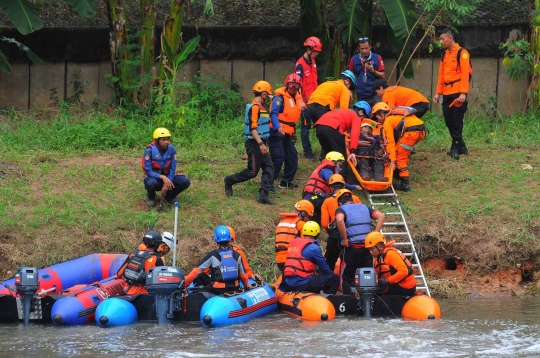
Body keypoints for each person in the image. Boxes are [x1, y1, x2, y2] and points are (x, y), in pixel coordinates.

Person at [224, 81, 275, 205]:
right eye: (267, 96)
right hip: (255, 144)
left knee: (269, 167)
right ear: (263, 94)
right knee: (252, 172)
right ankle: (229, 180)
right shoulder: (255, 107)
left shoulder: (260, 107)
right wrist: (261, 144)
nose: (268, 98)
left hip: (261, 142)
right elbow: (253, 129)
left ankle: (263, 194)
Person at [334, 189, 385, 296]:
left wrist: (344, 239)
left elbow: (339, 220)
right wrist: (374, 235)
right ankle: (368, 301)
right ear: (352, 200)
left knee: (347, 279)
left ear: (339, 202)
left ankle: (348, 302)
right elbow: (381, 216)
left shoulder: (341, 209)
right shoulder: (364, 207)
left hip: (351, 249)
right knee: (367, 277)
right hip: (368, 249)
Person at [433, 28, 471, 160]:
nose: (441, 42)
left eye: (443, 39)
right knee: (449, 120)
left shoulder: (462, 53)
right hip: (446, 93)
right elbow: (441, 75)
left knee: (456, 120)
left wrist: (463, 93)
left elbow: (465, 74)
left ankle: (455, 147)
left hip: (458, 93)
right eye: (441, 40)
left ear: (450, 38)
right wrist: (438, 93)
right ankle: (461, 145)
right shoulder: (444, 55)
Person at [302, 70, 357, 160]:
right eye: (350, 86)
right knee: (328, 131)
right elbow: (344, 111)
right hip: (322, 107)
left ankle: (323, 157)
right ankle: (327, 157)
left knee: (322, 130)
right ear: (347, 81)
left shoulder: (327, 83)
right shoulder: (344, 88)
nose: (349, 89)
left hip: (310, 106)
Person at [184, 225, 252, 295]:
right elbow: (243, 275)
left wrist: (185, 285)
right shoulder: (237, 255)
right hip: (235, 288)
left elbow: (196, 271)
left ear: (215, 239)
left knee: (193, 295)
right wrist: (247, 285)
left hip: (217, 290)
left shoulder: (213, 255)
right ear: (229, 238)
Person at [279, 221, 340, 294]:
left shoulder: (293, 244)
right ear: (317, 234)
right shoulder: (314, 248)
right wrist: (330, 274)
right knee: (335, 279)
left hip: (288, 282)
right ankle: (329, 301)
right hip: (302, 283)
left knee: (314, 277)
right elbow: (324, 269)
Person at [302, 151, 361, 224]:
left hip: (312, 198)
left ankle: (314, 219)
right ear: (333, 162)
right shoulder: (327, 170)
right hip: (314, 198)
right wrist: (353, 186)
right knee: (336, 198)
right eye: (340, 165)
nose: (341, 169)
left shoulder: (325, 169)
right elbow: (335, 182)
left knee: (322, 215)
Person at [320, 174, 361, 271]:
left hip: (335, 234)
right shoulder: (355, 199)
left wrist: (330, 232)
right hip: (353, 234)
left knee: (330, 260)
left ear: (331, 187)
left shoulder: (328, 201)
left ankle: (329, 280)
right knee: (352, 261)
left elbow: (325, 223)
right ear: (344, 186)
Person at [269, 73, 303, 189]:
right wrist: (278, 127)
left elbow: (292, 118)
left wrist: (293, 132)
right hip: (276, 132)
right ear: (287, 84)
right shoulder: (279, 98)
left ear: (299, 86)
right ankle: (267, 183)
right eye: (291, 84)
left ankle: (285, 182)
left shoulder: (297, 98)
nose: (293, 87)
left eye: (296, 85)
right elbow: (273, 114)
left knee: (292, 157)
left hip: (287, 134)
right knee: (278, 158)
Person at [142, 127, 191, 207]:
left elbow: (172, 169)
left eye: (167, 139)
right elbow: (149, 171)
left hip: (168, 178)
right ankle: (151, 197)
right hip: (155, 179)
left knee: (185, 181)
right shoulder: (149, 151)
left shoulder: (172, 150)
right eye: (163, 140)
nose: (166, 142)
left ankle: (169, 196)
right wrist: (162, 177)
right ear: (157, 140)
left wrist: (167, 182)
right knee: (150, 183)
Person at [381, 106, 426, 192]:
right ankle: (399, 175)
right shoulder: (396, 116)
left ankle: (405, 185)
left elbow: (391, 142)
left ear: (382, 114)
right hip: (421, 131)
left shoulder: (387, 121)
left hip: (411, 132)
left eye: (377, 117)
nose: (378, 120)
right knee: (402, 152)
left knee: (400, 158)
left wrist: (393, 161)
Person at [117, 230, 173, 295]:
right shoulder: (157, 259)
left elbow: (119, 274)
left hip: (127, 291)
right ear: (157, 244)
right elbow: (162, 281)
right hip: (143, 294)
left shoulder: (133, 255)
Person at [365, 232, 417, 296]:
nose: (370, 252)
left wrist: (387, 280)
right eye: (369, 249)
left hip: (405, 286)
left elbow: (404, 271)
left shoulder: (391, 254)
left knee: (379, 293)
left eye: (372, 249)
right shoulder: (378, 257)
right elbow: (377, 273)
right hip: (395, 284)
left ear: (380, 247)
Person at [296, 37, 322, 161]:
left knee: (321, 124)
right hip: (306, 103)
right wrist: (300, 101)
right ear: (309, 49)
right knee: (306, 127)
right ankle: (307, 151)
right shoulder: (300, 64)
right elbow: (297, 84)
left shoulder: (313, 62)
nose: (317, 54)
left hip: (316, 101)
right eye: (316, 51)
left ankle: (325, 149)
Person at [275, 200, 315, 273]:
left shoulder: (282, 222)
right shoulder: (301, 224)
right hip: (293, 261)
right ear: (304, 214)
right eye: (308, 217)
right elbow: (307, 245)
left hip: (280, 260)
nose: (308, 219)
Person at [348, 37, 385, 106]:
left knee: (378, 113)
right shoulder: (353, 59)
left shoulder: (377, 58)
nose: (364, 51)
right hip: (361, 94)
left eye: (366, 48)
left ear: (370, 47)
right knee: (362, 114)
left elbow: (382, 75)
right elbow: (350, 77)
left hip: (375, 94)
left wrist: (373, 71)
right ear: (358, 48)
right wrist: (349, 90)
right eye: (362, 49)